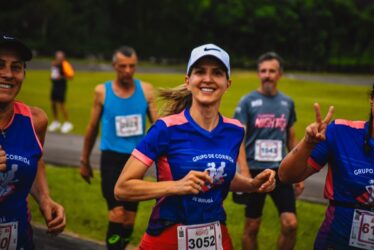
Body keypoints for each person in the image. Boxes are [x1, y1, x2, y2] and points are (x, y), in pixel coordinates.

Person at [114, 43, 277, 250]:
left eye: (217, 73)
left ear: (227, 83)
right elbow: (122, 188)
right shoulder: (166, 128)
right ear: (188, 80)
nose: (208, 79)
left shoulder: (235, 130)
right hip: (167, 235)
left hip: (215, 235)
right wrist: (177, 186)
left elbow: (221, 176)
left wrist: (252, 184)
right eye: (200, 71)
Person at [279, 69, 374, 249]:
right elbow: (286, 175)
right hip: (335, 242)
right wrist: (308, 143)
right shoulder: (341, 132)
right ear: (372, 98)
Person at [79, 46, 158, 250]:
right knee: (117, 214)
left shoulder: (146, 90)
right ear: (114, 66)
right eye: (123, 66)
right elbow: (91, 128)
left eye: (132, 66)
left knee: (129, 221)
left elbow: (159, 128)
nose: (128, 71)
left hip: (136, 162)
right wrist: (84, 161)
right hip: (111, 160)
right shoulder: (102, 92)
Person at [0, 33, 66, 249]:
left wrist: (45, 199)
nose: (8, 74)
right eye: (0, 65)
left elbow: (34, 161)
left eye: (16, 67)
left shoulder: (35, 120)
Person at [233, 52, 304, 250]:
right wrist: (244, 172)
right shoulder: (247, 102)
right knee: (252, 226)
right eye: (263, 71)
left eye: (272, 71)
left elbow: (291, 137)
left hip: (281, 171)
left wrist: (299, 174)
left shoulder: (287, 103)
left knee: (290, 224)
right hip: (255, 171)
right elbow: (239, 139)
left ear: (279, 74)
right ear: (258, 74)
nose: (267, 75)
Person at [48, 50, 75, 133]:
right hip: (54, 85)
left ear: (63, 57)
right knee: (53, 103)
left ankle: (68, 122)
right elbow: (53, 73)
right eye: (57, 56)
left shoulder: (65, 64)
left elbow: (71, 76)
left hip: (61, 86)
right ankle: (56, 121)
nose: (58, 57)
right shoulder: (55, 64)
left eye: (60, 56)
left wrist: (61, 77)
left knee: (61, 104)